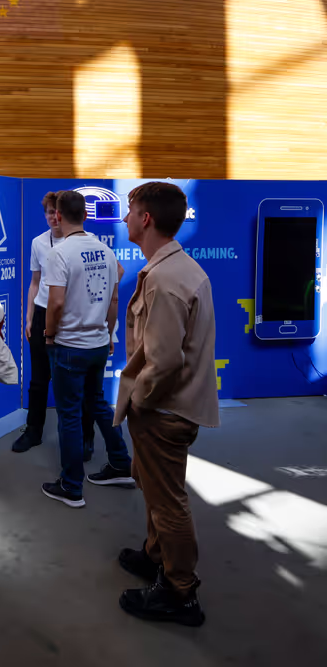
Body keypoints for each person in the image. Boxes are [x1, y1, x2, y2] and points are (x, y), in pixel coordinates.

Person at [113, 182, 218, 626]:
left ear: (147, 219)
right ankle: (156, 556)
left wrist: (139, 401)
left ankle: (179, 592)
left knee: (169, 501)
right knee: (158, 491)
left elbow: (164, 361)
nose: (124, 218)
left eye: (130, 210)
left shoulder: (164, 280)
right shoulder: (178, 268)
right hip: (173, 407)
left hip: (164, 411)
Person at [41, 190, 133, 508]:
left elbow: (55, 302)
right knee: (97, 404)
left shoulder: (61, 253)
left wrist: (49, 335)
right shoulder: (106, 252)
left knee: (69, 416)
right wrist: (108, 334)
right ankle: (121, 464)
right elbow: (114, 300)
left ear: (61, 215)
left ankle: (72, 486)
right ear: (86, 215)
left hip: (68, 345)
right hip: (97, 343)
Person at [14, 192, 101, 459]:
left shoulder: (88, 242)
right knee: (39, 379)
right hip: (42, 313)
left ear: (64, 213)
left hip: (72, 314)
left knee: (81, 383)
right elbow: (35, 282)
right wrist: (29, 318)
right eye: (48, 213)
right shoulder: (38, 243)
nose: (53, 217)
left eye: (56, 212)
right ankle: (33, 430)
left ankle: (87, 437)